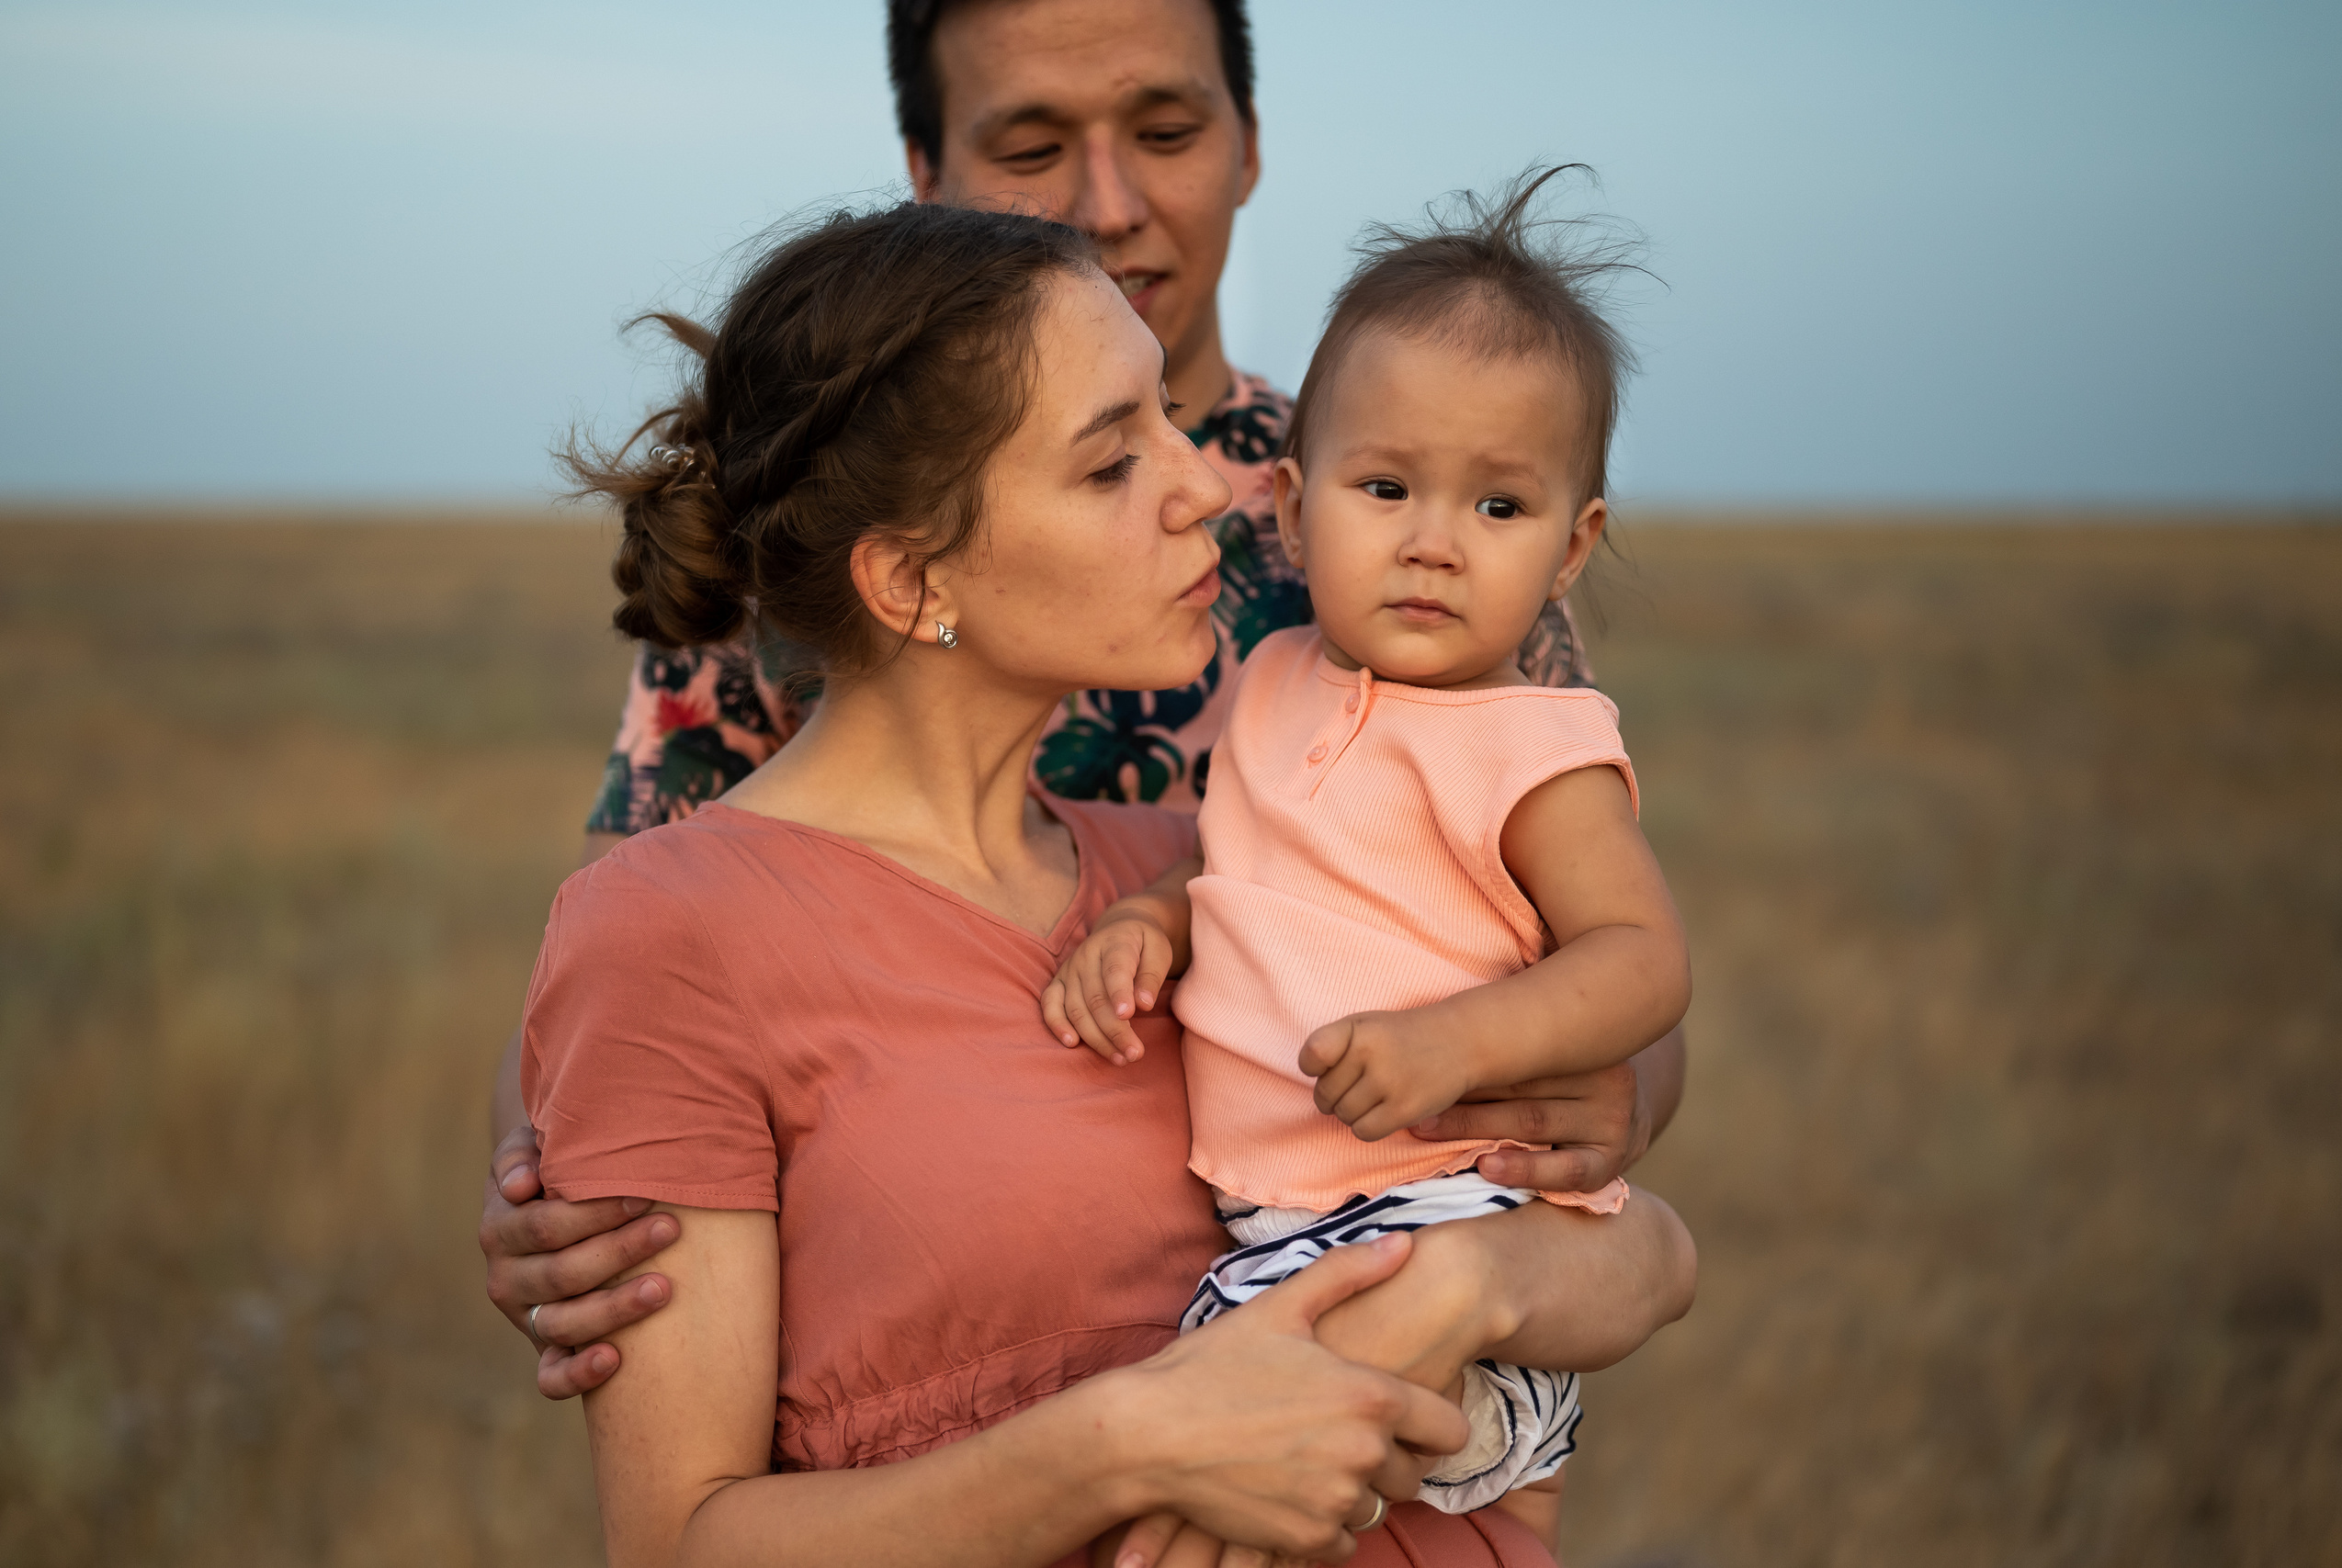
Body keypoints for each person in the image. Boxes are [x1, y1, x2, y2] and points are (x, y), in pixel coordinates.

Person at [482, 0, 1687, 1411]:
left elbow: (1584, 919)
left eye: (1166, 131)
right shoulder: (811, 558)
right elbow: (641, 964)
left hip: (1348, 1249)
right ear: (928, 176)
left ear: (1248, 146)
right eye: (1032, 145)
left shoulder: (1421, 503)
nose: (1110, 205)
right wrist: (556, 1183)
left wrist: (1606, 1096)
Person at [1042, 171, 1681, 1562]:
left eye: (1500, 508)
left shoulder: (1537, 745)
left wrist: (1457, 1042)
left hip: (1444, 1200)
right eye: (1386, 487)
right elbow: (1241, 870)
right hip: (1285, 1223)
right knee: (1230, 1441)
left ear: (1574, 546)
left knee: (1219, 1474)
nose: (1433, 544)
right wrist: (1154, 923)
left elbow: (1642, 960)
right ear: (1289, 501)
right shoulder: (1269, 680)